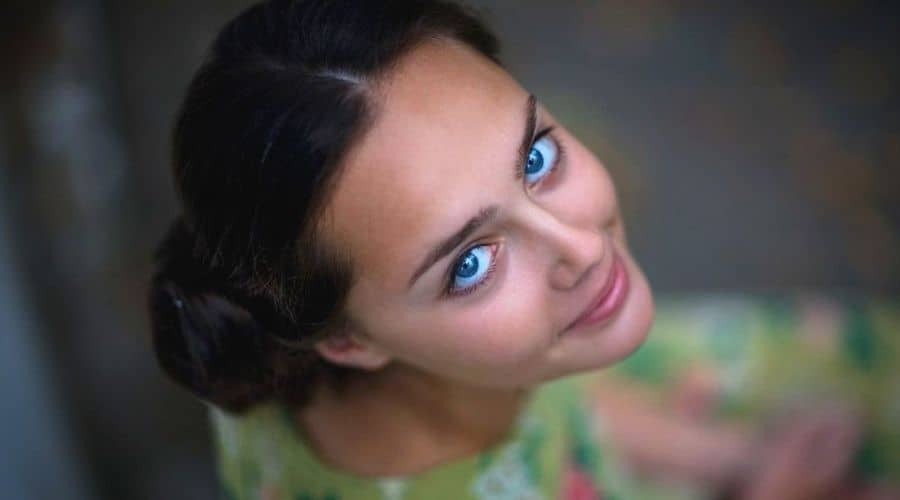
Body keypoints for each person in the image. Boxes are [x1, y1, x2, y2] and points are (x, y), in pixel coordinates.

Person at [148, 1, 884, 499]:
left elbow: (560, 411)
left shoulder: (433, 352)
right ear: (346, 340)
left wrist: (739, 462)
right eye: (469, 264)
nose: (581, 248)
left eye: (534, 157)